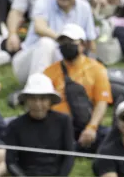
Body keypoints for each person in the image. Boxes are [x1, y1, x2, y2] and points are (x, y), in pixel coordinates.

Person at [12, 0, 97, 83]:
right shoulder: (42, 2)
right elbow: (39, 28)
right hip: (29, 61)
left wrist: (94, 68)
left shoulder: (84, 8)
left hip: (62, 62)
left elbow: (90, 42)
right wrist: (65, 40)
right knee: (46, 44)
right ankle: (36, 89)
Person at [44, 23, 113, 152]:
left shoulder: (97, 69)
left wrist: (91, 128)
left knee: (111, 136)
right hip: (57, 126)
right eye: (62, 41)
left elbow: (101, 103)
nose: (66, 45)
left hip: (84, 124)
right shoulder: (49, 72)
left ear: (82, 45)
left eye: (71, 41)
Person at [3, 73, 75, 176]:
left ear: (50, 100)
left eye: (43, 99)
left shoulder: (64, 121)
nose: (38, 104)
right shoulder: (15, 126)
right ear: (26, 100)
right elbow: (10, 162)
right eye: (33, 99)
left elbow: (69, 156)